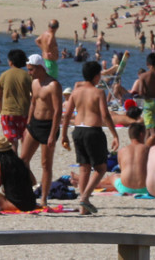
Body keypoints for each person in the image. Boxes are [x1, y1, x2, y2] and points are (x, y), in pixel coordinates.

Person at [61, 61, 119, 215]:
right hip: (93, 131)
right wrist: (115, 134)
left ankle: (82, 209)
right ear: (96, 76)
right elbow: (105, 115)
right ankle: (85, 197)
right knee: (101, 168)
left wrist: (64, 134)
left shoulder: (76, 92)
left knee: (84, 167)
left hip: (78, 130)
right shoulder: (98, 92)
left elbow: (67, 115)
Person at [20, 54, 63, 208]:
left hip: (48, 126)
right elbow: (33, 103)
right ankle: (27, 191)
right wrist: (28, 124)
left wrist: (53, 134)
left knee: (46, 164)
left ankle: (44, 198)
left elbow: (58, 111)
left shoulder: (53, 85)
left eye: (31, 70)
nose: (29, 73)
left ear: (39, 68)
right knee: (22, 160)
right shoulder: (34, 83)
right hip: (35, 125)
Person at [0, 135, 38, 212]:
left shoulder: (2, 165)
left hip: (16, 205)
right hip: (31, 204)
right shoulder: (20, 162)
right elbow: (33, 182)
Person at [0, 49, 32, 152]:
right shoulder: (28, 76)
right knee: (24, 140)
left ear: (10, 61)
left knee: (12, 142)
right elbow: (34, 95)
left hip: (8, 113)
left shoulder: (4, 75)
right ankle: (25, 162)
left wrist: (0, 108)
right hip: (24, 113)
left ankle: (14, 164)